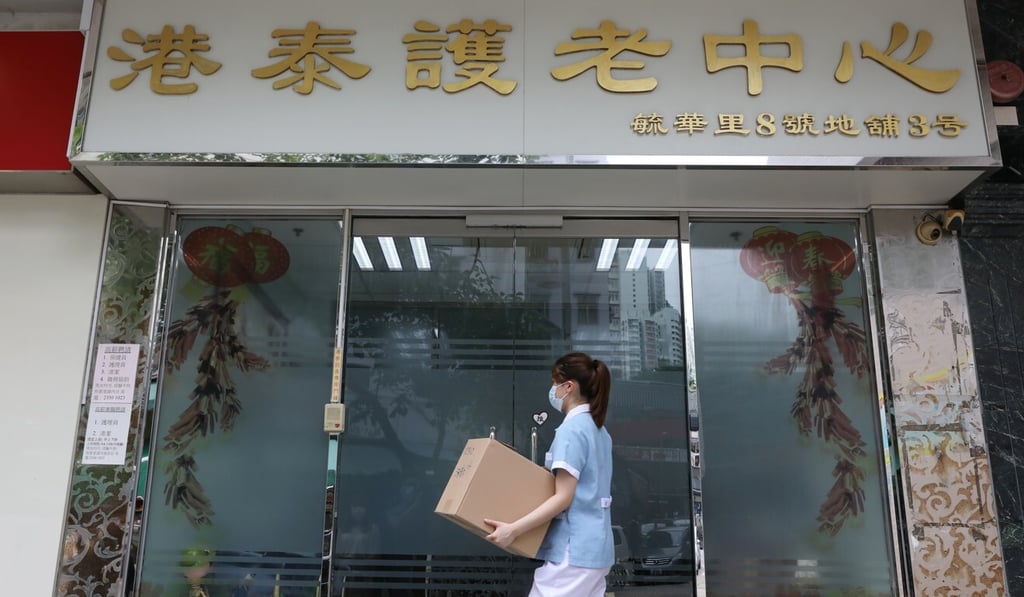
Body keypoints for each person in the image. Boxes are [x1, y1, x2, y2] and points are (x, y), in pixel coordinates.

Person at [484, 352, 614, 597]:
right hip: (595, 550)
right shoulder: (599, 432)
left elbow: (563, 497)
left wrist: (513, 530)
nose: (552, 389)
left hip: (573, 552)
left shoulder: (572, 430)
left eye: (555, 382)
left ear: (569, 387)